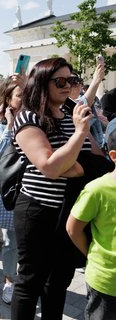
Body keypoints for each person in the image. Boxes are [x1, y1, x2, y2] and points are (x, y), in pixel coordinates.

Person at [11, 57, 99, 319]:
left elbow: (96, 160)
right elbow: (49, 166)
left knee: (59, 280)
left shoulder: (72, 112)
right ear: (41, 83)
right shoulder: (28, 117)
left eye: (72, 80)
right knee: (30, 282)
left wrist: (74, 161)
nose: (68, 85)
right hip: (37, 211)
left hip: (71, 211)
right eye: (60, 81)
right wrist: (79, 134)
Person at [66, 126, 116, 320]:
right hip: (105, 281)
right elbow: (73, 227)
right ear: (113, 156)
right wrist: (92, 254)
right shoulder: (97, 189)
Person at [0, 79, 23, 304]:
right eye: (19, 95)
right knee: (11, 239)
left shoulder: (36, 120)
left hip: (34, 186)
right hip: (13, 188)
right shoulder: (1, 124)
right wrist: (10, 125)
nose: (24, 99)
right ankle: (9, 280)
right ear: (9, 101)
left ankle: (26, 278)